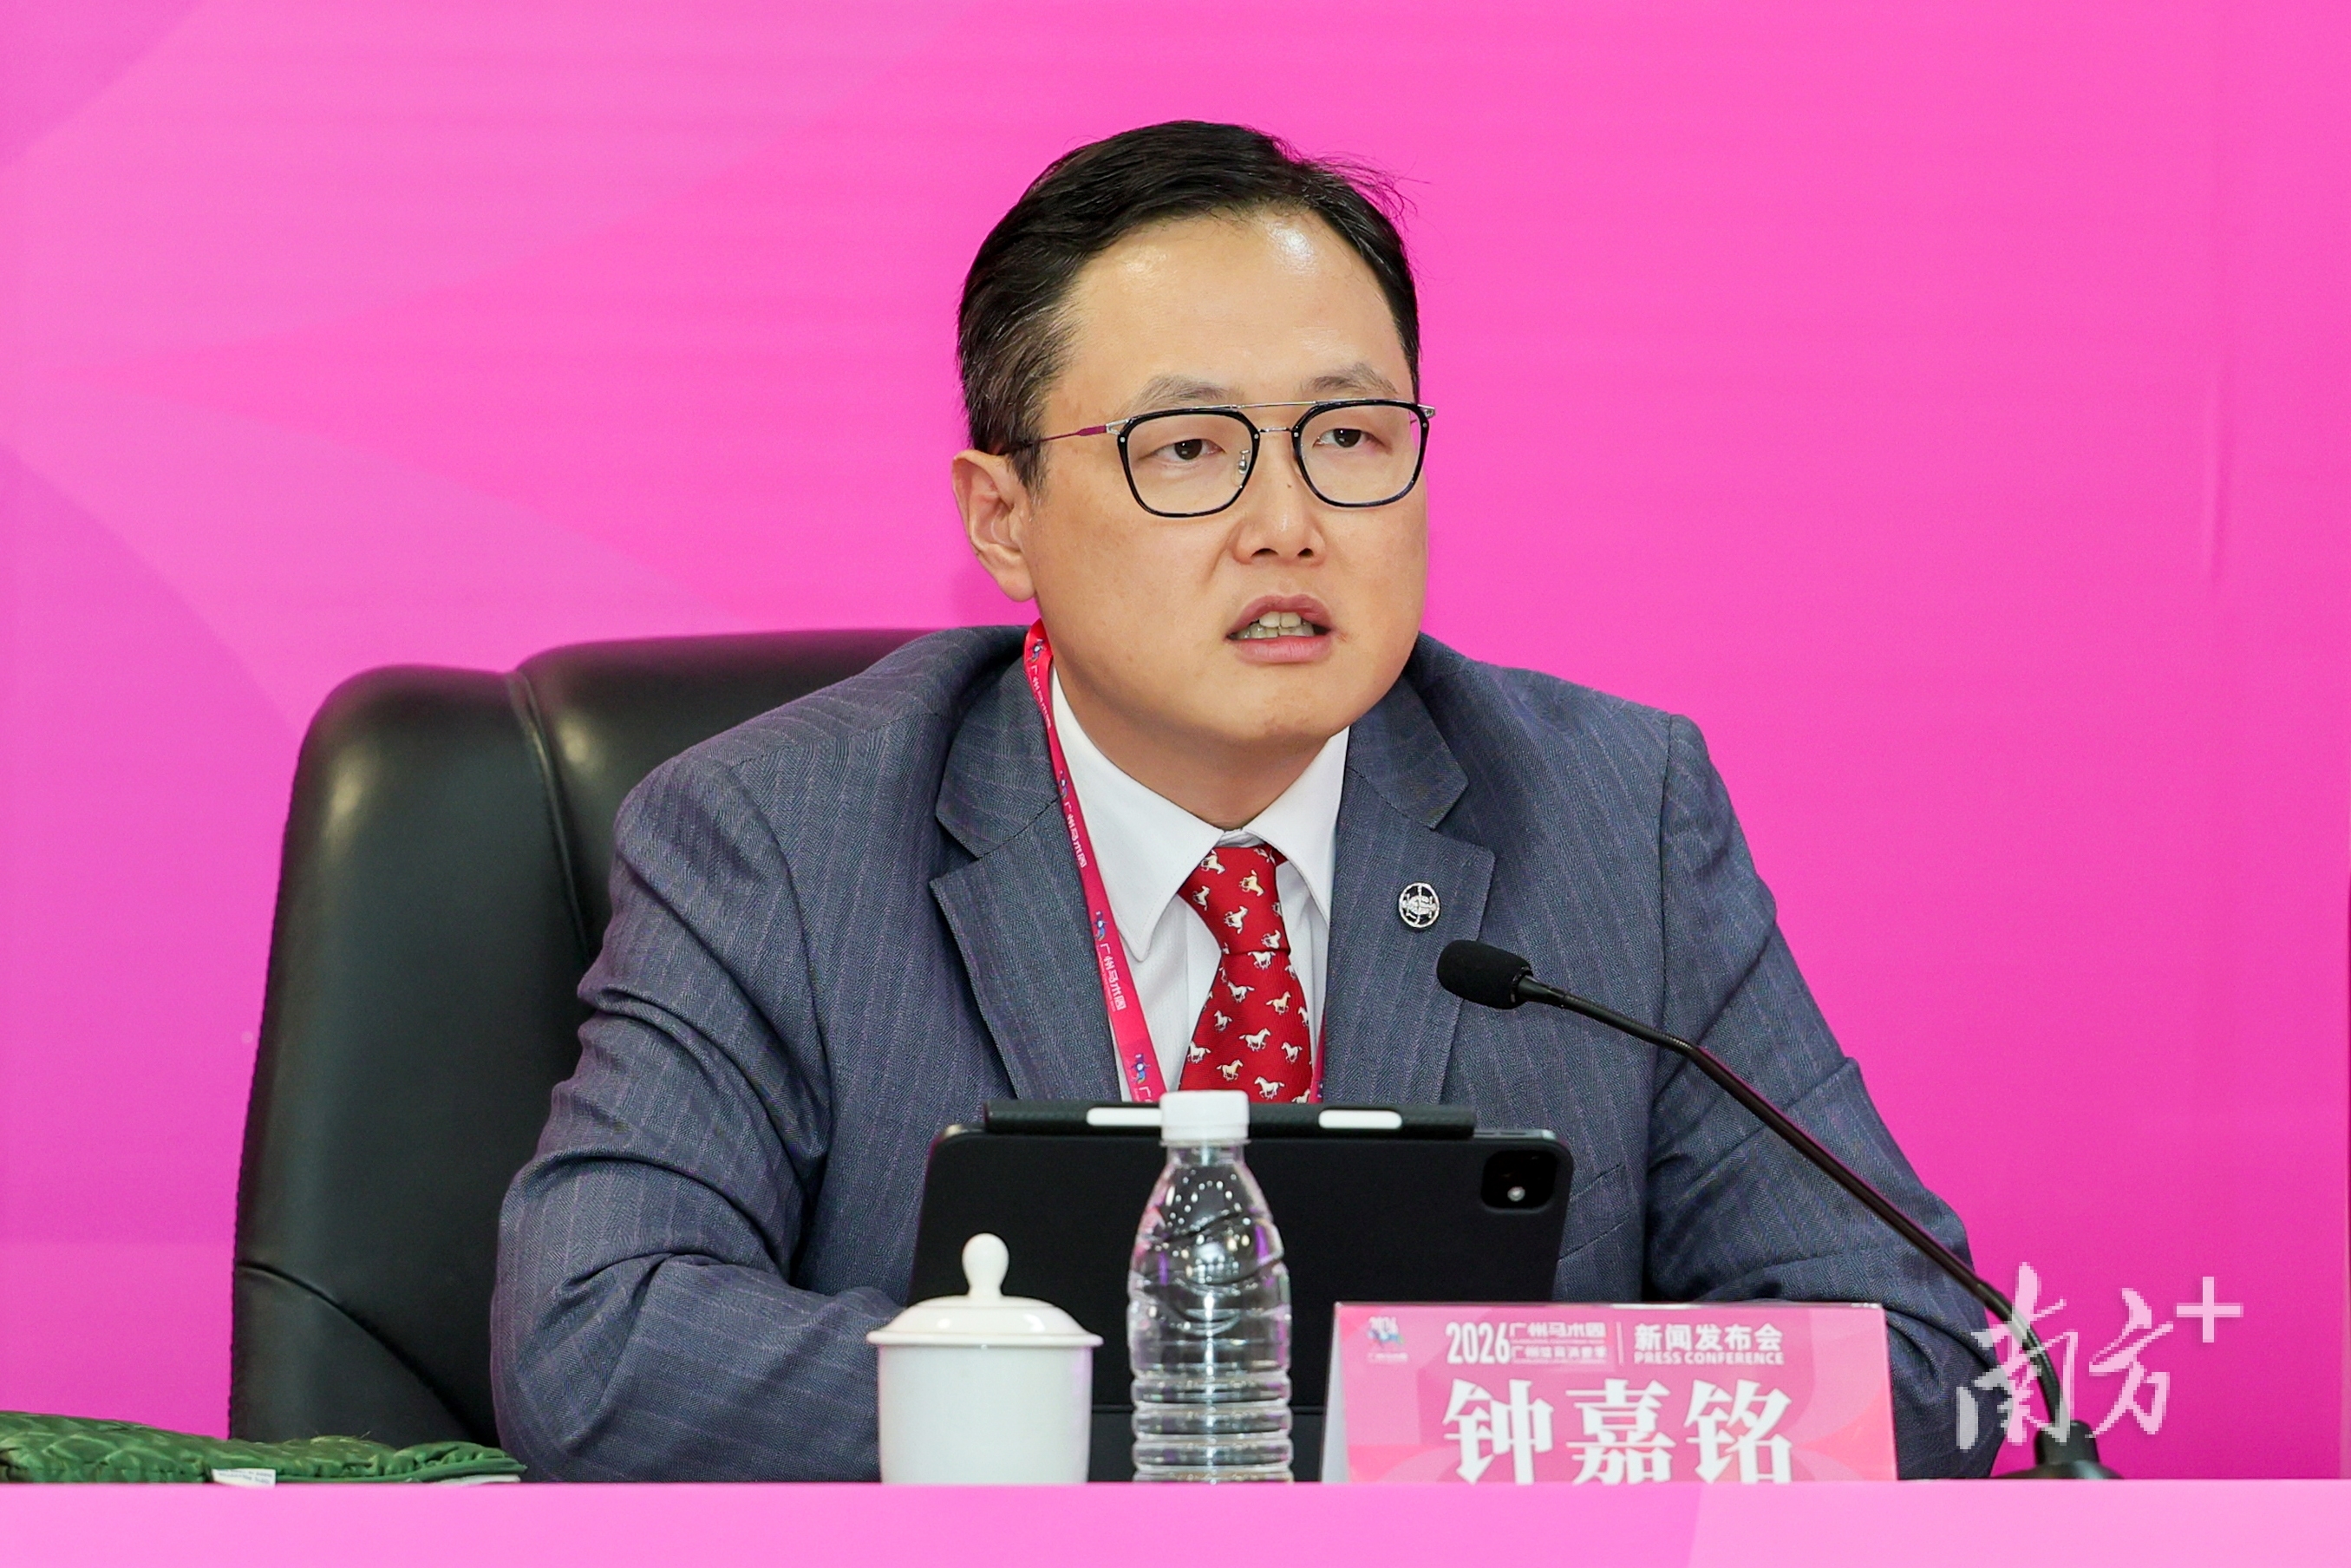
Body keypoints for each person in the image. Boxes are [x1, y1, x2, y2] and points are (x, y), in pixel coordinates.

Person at [492, 121, 1997, 1480]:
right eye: (1190, 450)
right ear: (1003, 519)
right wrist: (1187, 1418)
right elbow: (596, 1344)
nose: (1289, 524)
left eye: (1349, 439)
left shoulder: (1615, 816)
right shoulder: (778, 834)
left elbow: (1914, 1361)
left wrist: (1425, 1433)